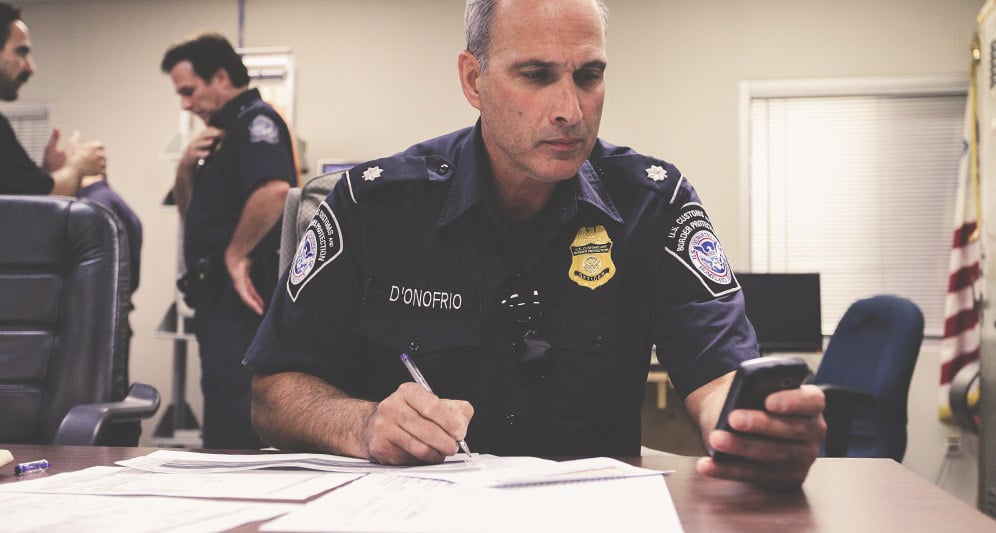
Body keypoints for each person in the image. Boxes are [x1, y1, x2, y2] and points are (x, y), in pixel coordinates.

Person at [245, 0, 825, 489]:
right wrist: (364, 423)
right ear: (474, 80)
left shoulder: (654, 204)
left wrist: (753, 429)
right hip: (414, 514)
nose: (570, 111)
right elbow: (275, 391)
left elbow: (718, 375)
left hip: (592, 516)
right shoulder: (373, 206)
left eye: (589, 76)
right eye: (537, 75)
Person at [161, 33, 296, 449]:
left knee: (237, 414)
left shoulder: (257, 120)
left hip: (242, 300)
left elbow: (274, 189)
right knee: (220, 403)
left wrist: (235, 255)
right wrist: (185, 167)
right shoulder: (222, 135)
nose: (185, 103)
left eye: (189, 90)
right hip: (215, 299)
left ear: (220, 77)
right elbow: (192, 215)